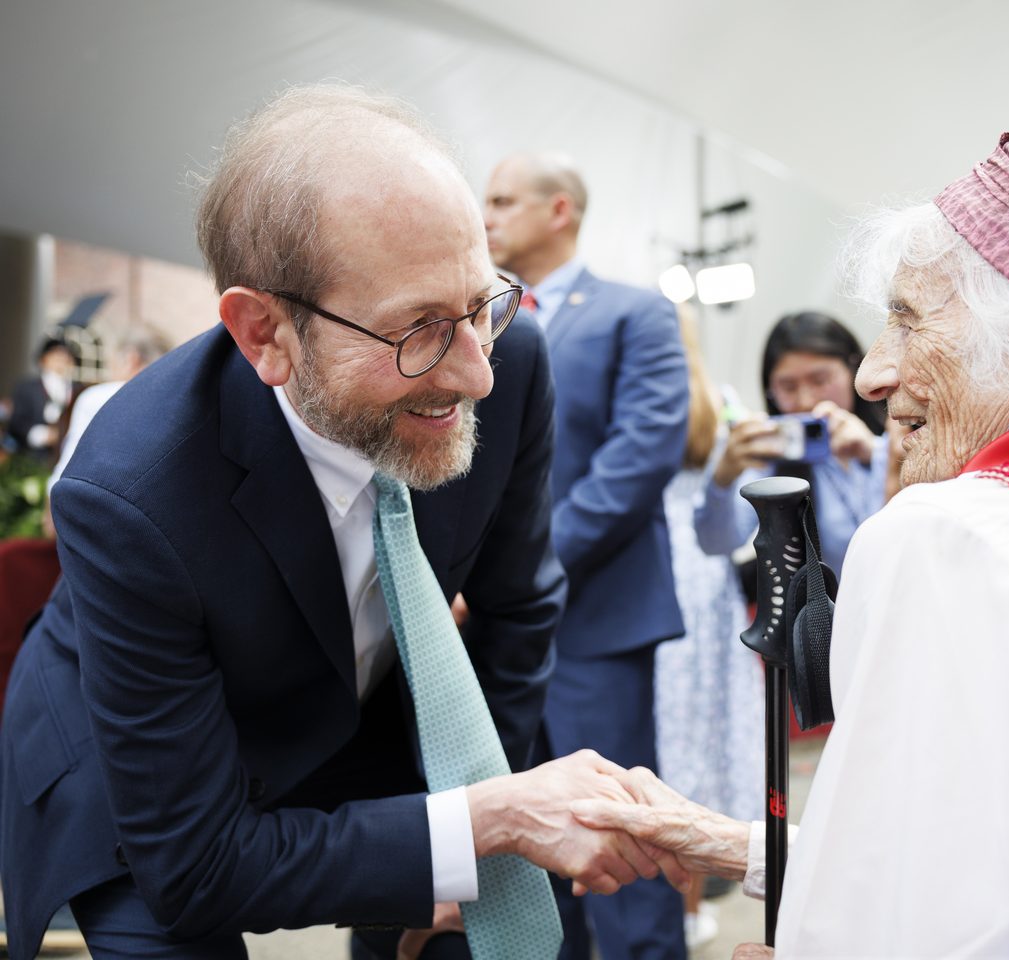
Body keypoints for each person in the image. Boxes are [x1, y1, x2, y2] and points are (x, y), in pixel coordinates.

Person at [0, 85, 682, 960]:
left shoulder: (512, 362)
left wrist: (463, 832)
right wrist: (483, 822)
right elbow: (198, 869)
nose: (476, 372)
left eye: (481, 304)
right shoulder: (130, 493)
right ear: (265, 334)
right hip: (146, 787)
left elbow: (517, 613)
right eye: (421, 329)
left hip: (359, 721)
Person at [571, 127, 1009, 958]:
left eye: (906, 320)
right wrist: (734, 845)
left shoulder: (957, 537)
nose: (873, 374)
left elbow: (910, 933)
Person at [485, 152, 690, 960]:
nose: (487, 215)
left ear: (559, 209)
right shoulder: (479, 317)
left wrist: (527, 567)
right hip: (493, 632)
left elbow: (643, 452)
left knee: (624, 833)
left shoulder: (635, 312)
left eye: (502, 201)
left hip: (595, 621)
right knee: (532, 852)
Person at [655, 308, 763, 949]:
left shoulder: (719, 405)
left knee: (690, 747)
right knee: (664, 744)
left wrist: (727, 480)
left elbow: (732, 536)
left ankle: (687, 909)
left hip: (698, 587)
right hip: (645, 578)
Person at [694, 311, 888, 579]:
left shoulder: (899, 435)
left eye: (820, 380)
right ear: (770, 391)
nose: (805, 399)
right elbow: (717, 544)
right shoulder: (771, 459)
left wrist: (874, 454)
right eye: (787, 387)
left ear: (855, 368)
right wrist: (723, 477)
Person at [48, 326, 172, 489]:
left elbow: (64, 477)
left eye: (111, 364)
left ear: (130, 360)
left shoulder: (99, 398)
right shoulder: (172, 401)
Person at [5, 336, 75, 463]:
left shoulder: (75, 388)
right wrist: (42, 435)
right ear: (43, 360)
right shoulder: (27, 388)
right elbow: (16, 423)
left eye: (65, 356)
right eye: (55, 356)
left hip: (64, 458)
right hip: (32, 459)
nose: (61, 360)